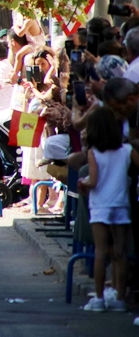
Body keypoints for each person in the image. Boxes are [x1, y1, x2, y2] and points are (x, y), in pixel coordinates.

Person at [78, 106, 139, 312]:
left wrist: (83, 183)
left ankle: (99, 298)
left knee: (100, 252)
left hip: (100, 205)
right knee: (120, 253)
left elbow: (93, 181)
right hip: (121, 203)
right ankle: (120, 298)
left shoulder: (94, 153)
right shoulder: (127, 151)